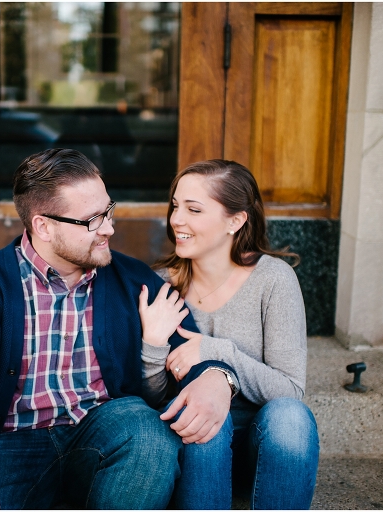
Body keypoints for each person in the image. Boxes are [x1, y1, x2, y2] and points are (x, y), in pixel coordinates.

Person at [0, 149, 239, 510]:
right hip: (11, 445)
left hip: (100, 436)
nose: (108, 228)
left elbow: (191, 349)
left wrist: (219, 377)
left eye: (108, 210)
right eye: (92, 220)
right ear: (43, 225)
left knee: (148, 430)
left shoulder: (132, 280)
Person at [142, 159, 320, 509]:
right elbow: (150, 397)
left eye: (193, 209)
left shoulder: (274, 280)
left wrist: (214, 352)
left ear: (235, 221)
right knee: (206, 416)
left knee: (291, 418)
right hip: (194, 445)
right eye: (176, 206)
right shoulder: (161, 285)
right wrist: (153, 346)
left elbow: (290, 389)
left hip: (261, 442)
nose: (177, 219)